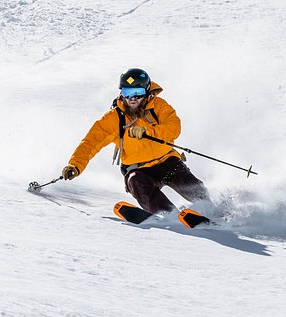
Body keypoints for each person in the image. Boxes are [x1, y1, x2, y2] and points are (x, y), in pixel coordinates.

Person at [61, 68, 210, 215]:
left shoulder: (158, 106)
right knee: (135, 182)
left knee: (192, 187)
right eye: (127, 93)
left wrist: (148, 132)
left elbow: (174, 127)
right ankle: (170, 215)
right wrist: (75, 165)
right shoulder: (113, 118)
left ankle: (213, 210)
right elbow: (90, 143)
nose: (132, 98)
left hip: (166, 161)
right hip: (139, 170)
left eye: (137, 93)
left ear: (146, 92)